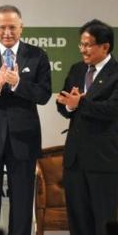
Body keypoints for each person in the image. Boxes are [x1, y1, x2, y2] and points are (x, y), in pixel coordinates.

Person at [0, 5, 51, 235]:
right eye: (2, 27)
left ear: (21, 28)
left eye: (12, 27)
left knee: (23, 204)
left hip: (24, 139)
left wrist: (18, 84)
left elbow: (44, 95)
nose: (7, 32)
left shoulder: (37, 55)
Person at [57, 19, 118, 235]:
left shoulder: (115, 72)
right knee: (78, 220)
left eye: (88, 45)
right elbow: (64, 105)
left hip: (103, 160)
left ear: (105, 46)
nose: (82, 49)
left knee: (104, 220)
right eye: (81, 44)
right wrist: (69, 106)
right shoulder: (77, 69)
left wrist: (80, 103)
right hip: (75, 160)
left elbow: (112, 109)